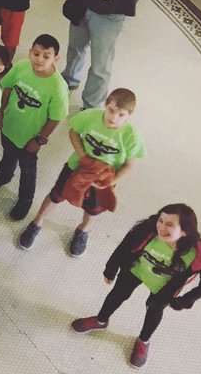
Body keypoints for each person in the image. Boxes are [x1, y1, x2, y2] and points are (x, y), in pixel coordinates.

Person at [71, 204, 201, 369]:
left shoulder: (198, 253)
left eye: (169, 224)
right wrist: (111, 268)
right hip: (136, 269)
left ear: (185, 231)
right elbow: (124, 246)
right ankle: (101, 320)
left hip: (163, 287)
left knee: (154, 310)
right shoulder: (147, 229)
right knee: (117, 294)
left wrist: (184, 301)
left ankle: (143, 341)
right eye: (160, 220)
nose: (161, 227)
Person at [19, 88, 144, 257]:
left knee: (94, 209)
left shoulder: (132, 137)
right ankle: (37, 222)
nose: (114, 118)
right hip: (75, 168)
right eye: (111, 110)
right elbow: (73, 132)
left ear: (129, 115)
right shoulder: (90, 116)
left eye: (121, 115)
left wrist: (110, 181)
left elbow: (129, 165)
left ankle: (83, 231)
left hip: (103, 179)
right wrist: (83, 155)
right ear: (106, 104)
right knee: (56, 195)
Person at [0, 34, 69, 220]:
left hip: (30, 139)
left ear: (56, 59)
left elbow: (55, 118)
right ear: (30, 52)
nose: (39, 59)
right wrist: (0, 111)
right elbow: (8, 87)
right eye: (36, 54)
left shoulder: (58, 87)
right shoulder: (22, 66)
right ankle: (3, 176)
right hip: (10, 126)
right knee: (7, 155)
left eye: (46, 56)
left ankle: (25, 200)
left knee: (28, 171)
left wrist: (40, 139)